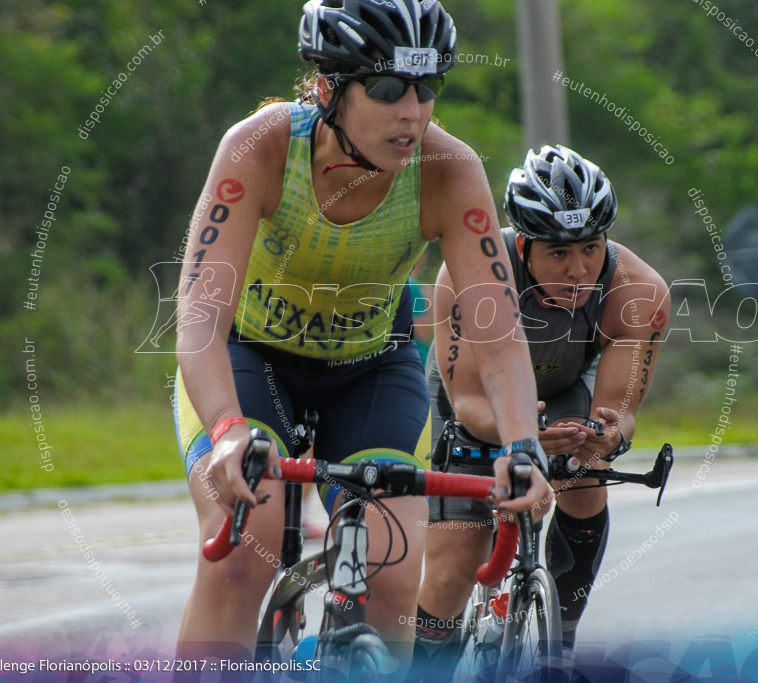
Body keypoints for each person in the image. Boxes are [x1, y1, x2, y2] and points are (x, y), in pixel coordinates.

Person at [171, 0, 551, 668]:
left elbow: (500, 333)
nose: (412, 110)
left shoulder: (450, 170)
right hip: (249, 361)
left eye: (426, 88)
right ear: (327, 89)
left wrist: (523, 446)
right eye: (385, 88)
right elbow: (201, 318)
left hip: (372, 369)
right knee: (242, 547)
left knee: (393, 573)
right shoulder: (258, 148)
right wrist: (230, 431)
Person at [414, 145, 670, 666]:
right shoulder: (472, 274)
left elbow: (618, 412)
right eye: (559, 253)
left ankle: (560, 646)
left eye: (591, 248)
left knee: (587, 472)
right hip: (477, 398)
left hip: (566, 390)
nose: (579, 269)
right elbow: (465, 399)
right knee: (455, 564)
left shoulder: (638, 290)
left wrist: (609, 434)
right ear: (524, 245)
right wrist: (520, 437)